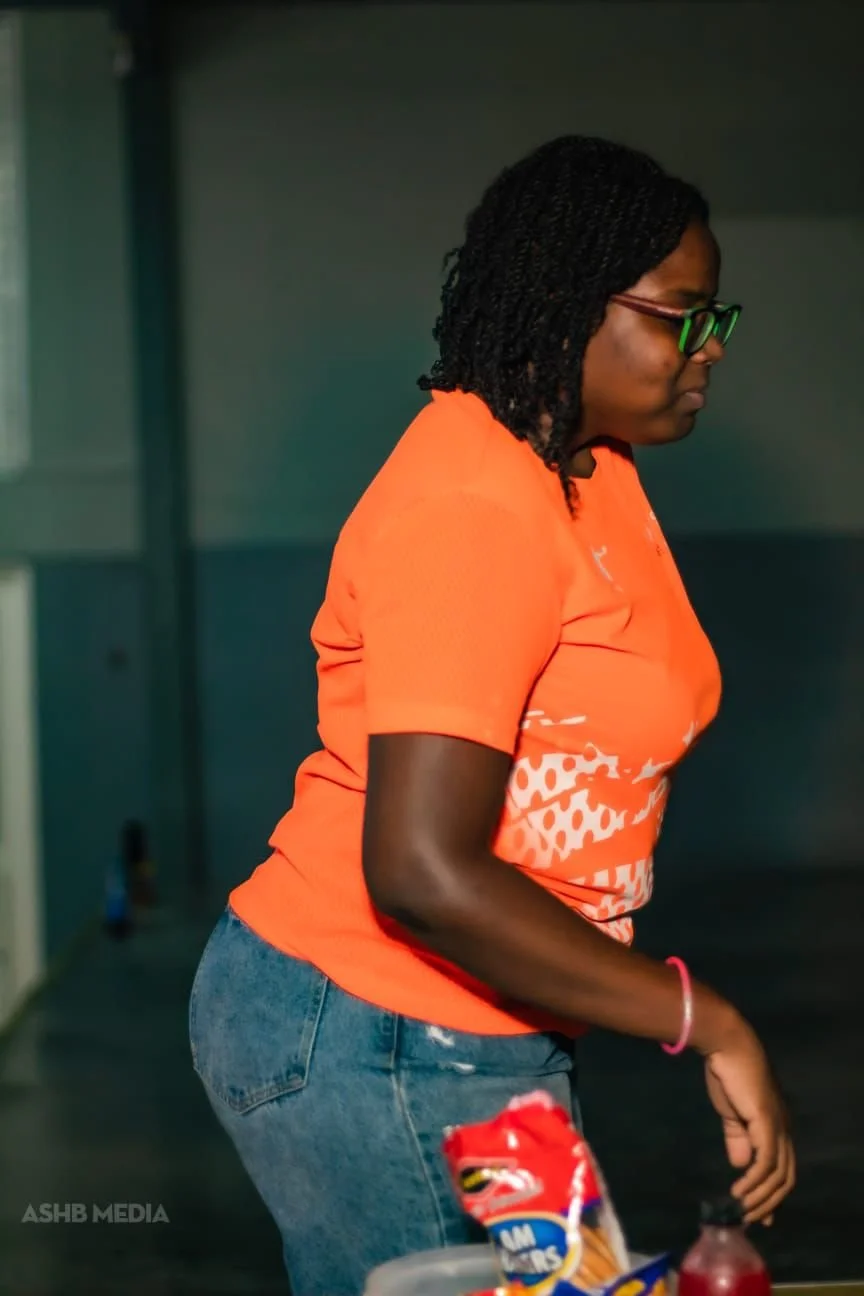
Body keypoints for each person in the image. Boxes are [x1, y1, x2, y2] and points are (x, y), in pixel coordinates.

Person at [188, 135, 794, 1296]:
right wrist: (707, 1020)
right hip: (377, 1029)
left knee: (572, 1291)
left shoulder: (588, 467)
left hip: (484, 1035)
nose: (709, 351)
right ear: (571, 305)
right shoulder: (472, 502)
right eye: (684, 316)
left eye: (718, 320)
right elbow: (422, 869)